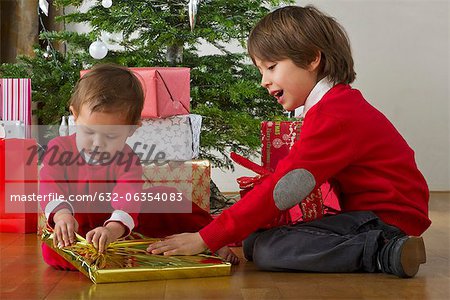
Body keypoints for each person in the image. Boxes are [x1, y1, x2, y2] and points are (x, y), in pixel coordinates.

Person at [147, 5, 430, 278]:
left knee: (271, 250)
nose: (263, 81)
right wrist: (223, 233)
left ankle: (385, 251)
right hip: (364, 216)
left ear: (311, 59)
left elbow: (285, 187)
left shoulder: (336, 114)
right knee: (254, 242)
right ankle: (373, 245)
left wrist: (205, 238)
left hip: (389, 220)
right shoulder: (330, 106)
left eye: (270, 67)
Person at [40, 64, 238, 270]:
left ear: (132, 130)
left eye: (110, 136)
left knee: (168, 198)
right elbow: (50, 185)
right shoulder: (60, 149)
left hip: (121, 224)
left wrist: (113, 229)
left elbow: (128, 197)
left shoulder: (127, 158)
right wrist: (62, 215)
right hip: (76, 224)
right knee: (53, 252)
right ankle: (104, 253)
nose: (98, 143)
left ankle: (212, 238)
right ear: (75, 116)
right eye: (89, 132)